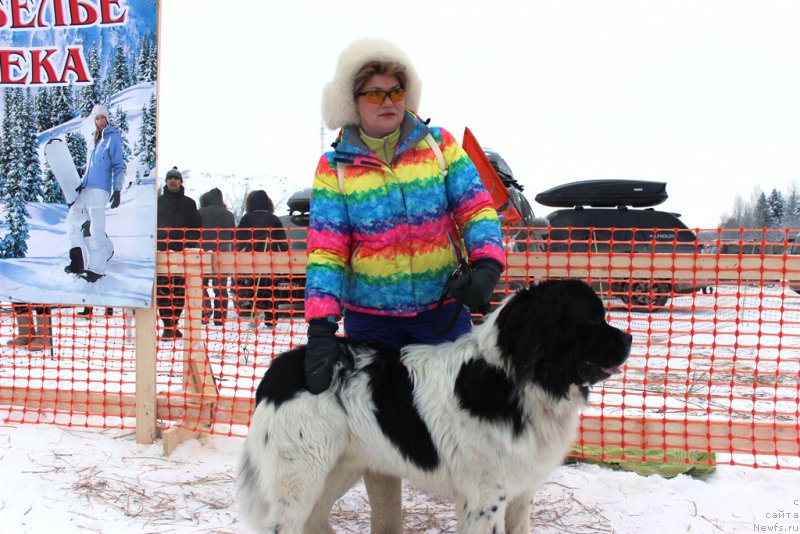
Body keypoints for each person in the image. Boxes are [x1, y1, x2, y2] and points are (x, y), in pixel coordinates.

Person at [304, 38, 506, 532]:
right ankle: (387, 525)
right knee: (376, 431)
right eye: (374, 93)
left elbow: (476, 207)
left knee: (468, 422)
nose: (388, 101)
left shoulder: (438, 146)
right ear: (353, 102)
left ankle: (477, 518)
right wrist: (321, 327)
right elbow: (328, 250)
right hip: (374, 324)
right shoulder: (336, 168)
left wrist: (486, 265)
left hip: (442, 316)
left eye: (395, 90)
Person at [64, 104, 125, 282]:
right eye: (97, 118)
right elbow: (92, 166)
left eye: (102, 117)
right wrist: (80, 183)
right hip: (87, 188)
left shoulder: (113, 137)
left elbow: (118, 165)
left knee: (95, 228)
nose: (100, 121)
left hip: (100, 190)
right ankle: (77, 261)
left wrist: (118, 189)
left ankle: (97, 268)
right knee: (72, 220)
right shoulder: (94, 140)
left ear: (108, 118)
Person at [156, 167, 202, 339]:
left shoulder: (189, 203)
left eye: (176, 178)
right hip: (161, 251)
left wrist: (188, 242)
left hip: (182, 252)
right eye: (170, 178)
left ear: (181, 182)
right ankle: (167, 325)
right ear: (166, 181)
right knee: (163, 291)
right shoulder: (158, 202)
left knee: (179, 291)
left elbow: (196, 225)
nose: (173, 181)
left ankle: (174, 324)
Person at [235, 190, 288, 327]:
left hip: (251, 260)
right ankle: (271, 318)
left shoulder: (247, 218)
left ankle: (255, 316)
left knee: (253, 288)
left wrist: (239, 253)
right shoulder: (274, 219)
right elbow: (282, 242)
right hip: (272, 260)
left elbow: (237, 239)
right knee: (271, 289)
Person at [198, 187, 236, 326]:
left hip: (203, 254)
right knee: (220, 287)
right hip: (223, 255)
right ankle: (220, 317)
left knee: (202, 285)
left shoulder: (199, 213)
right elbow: (233, 236)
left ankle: (205, 310)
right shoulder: (229, 215)